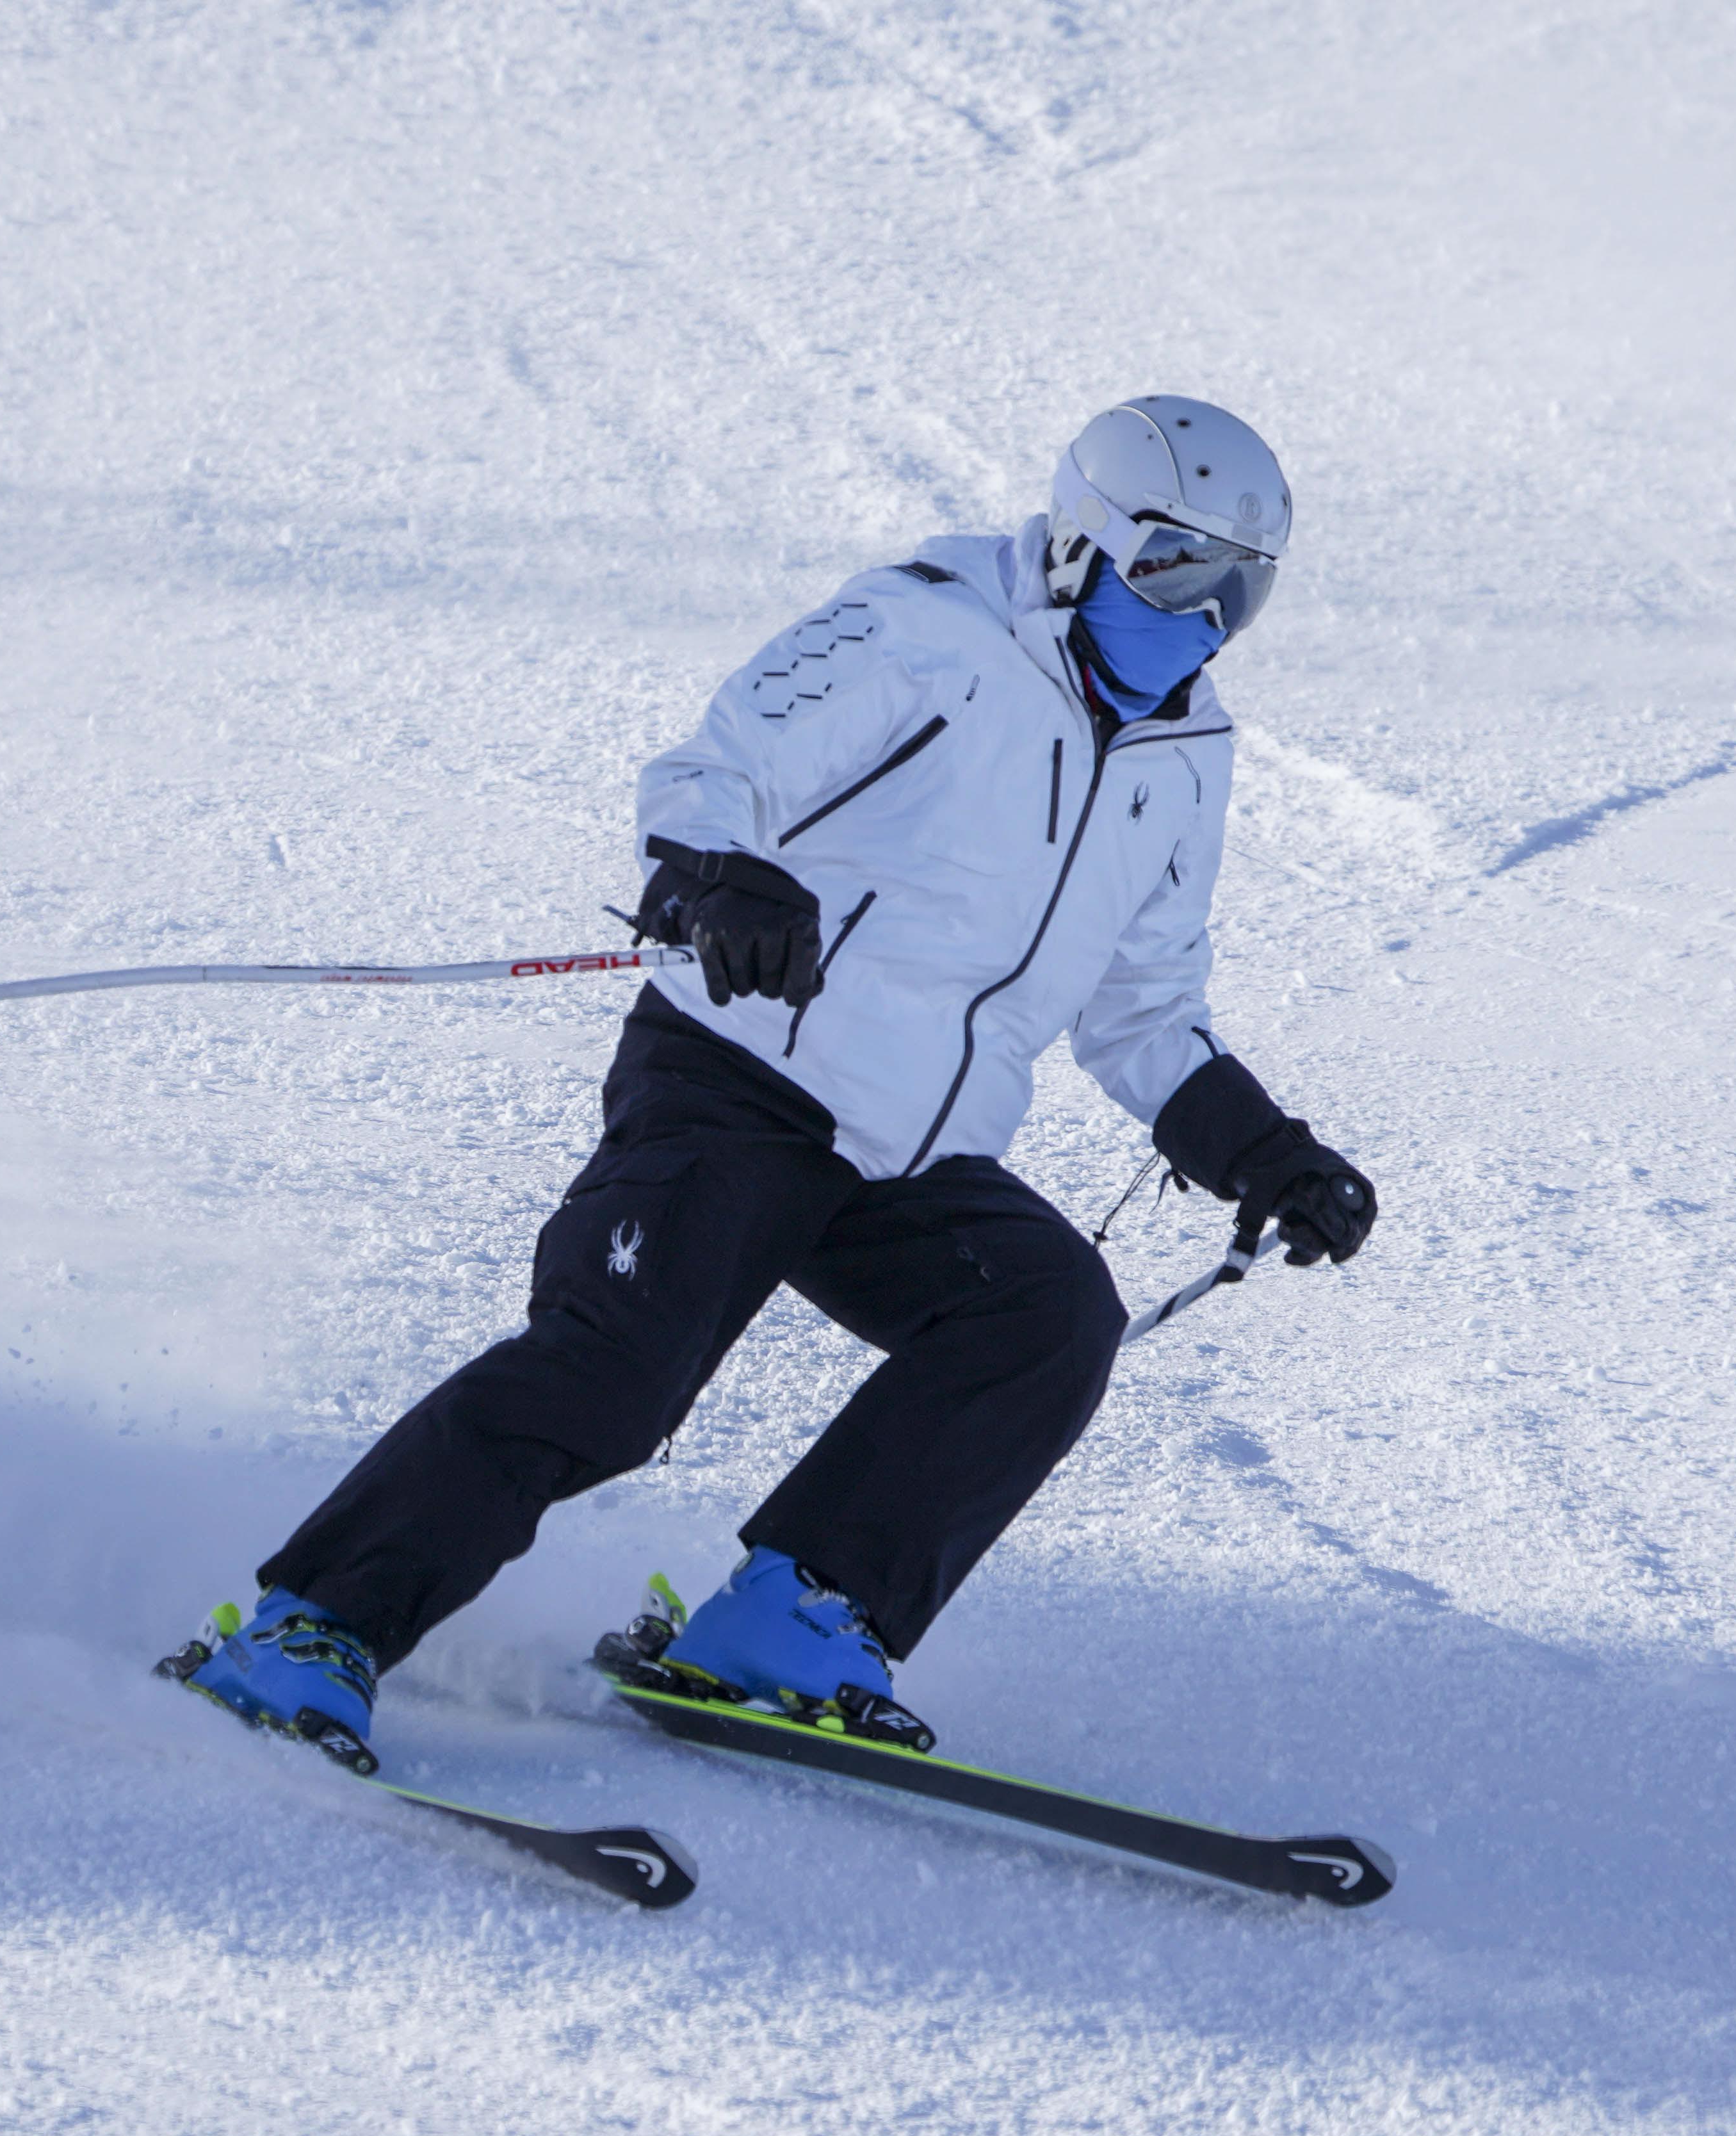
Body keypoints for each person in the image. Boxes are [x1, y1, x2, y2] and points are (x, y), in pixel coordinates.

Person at [175, 396, 1377, 1767]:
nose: (1204, 622)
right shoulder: (923, 632)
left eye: (1243, 592)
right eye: (1177, 573)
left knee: (1046, 1314)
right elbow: (716, 772)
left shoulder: (1185, 756)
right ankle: (308, 1627)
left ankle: (793, 1618)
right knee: (613, 1380)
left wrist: (1263, 1148)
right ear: (1084, 544)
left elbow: (1144, 1005)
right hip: (740, 1078)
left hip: (908, 1154)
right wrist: (718, 879)